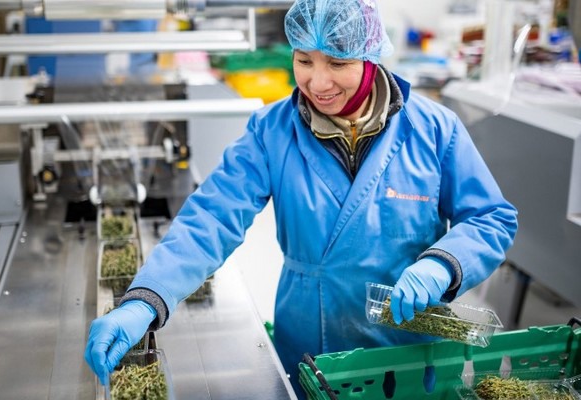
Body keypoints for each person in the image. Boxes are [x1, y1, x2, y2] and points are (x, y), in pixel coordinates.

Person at [84, 0, 518, 397]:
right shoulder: (271, 132)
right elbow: (212, 217)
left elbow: (490, 218)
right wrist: (146, 297)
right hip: (311, 351)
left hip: (405, 357)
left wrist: (442, 265)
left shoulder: (435, 129)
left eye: (338, 62)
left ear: (370, 57)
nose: (318, 81)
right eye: (304, 60)